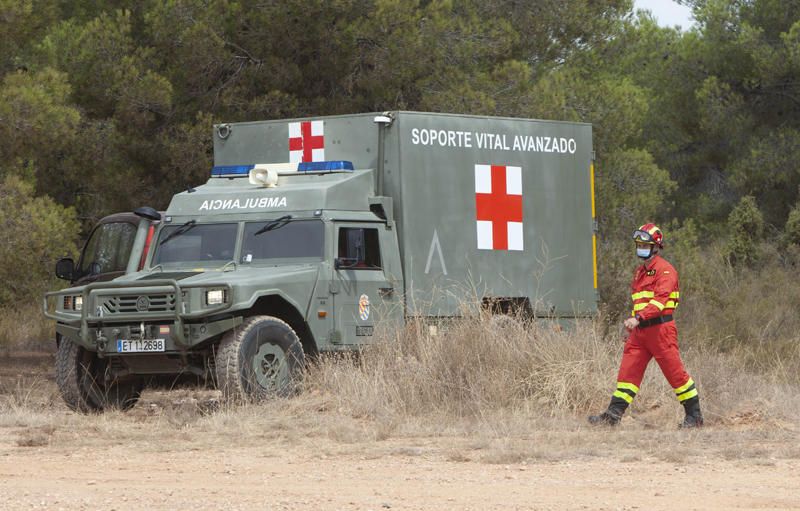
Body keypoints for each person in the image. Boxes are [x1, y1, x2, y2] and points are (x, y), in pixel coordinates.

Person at [589, 223, 703, 428]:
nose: (640, 247)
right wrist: (632, 325)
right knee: (627, 374)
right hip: (640, 332)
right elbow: (640, 302)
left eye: (644, 244)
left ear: (656, 246)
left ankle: (694, 417)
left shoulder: (665, 270)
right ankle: (612, 416)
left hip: (660, 330)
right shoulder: (640, 272)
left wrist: (638, 318)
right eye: (638, 243)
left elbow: (659, 302)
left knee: (675, 374)